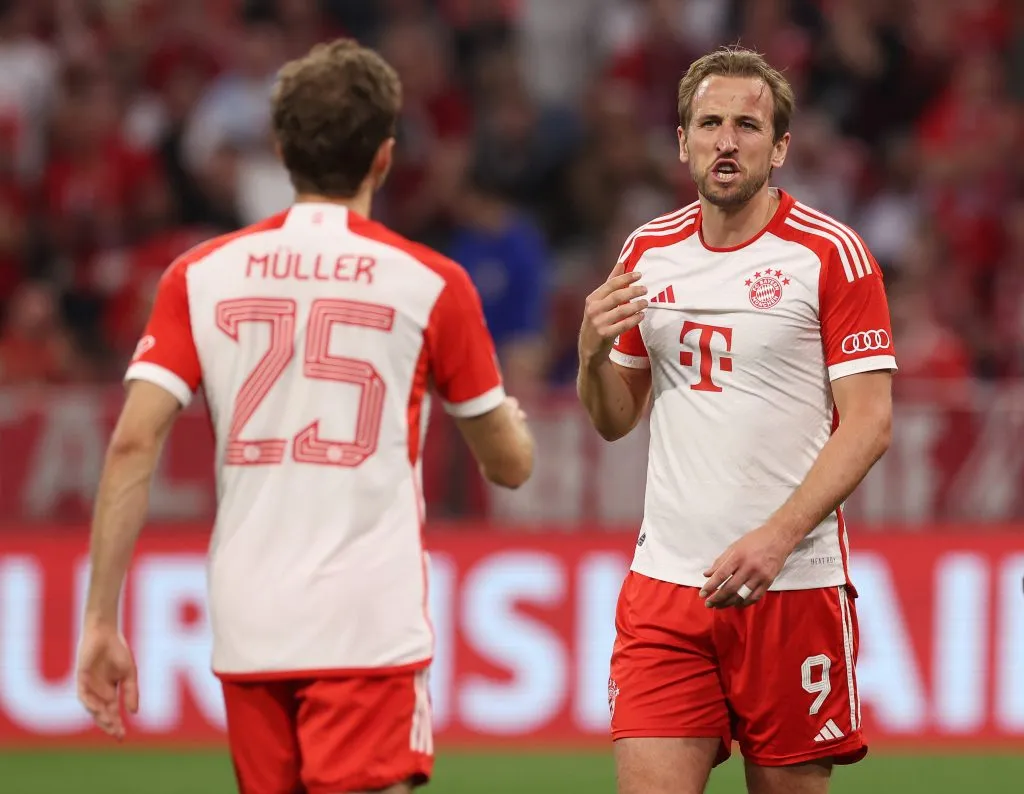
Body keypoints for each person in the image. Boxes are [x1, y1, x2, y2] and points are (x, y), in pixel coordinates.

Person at [75, 38, 535, 794]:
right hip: (366, 622)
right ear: (384, 157)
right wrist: (508, 419)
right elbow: (509, 464)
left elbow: (132, 443)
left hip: (251, 622)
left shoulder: (198, 275)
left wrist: (100, 619)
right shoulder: (431, 282)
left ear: (282, 149)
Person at [576, 46, 896, 794]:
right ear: (682, 141)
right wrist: (591, 355)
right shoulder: (646, 252)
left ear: (780, 147)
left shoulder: (831, 256)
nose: (727, 140)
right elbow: (615, 418)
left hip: (791, 587)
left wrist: (775, 540)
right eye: (709, 123)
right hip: (665, 587)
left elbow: (871, 423)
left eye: (748, 126)